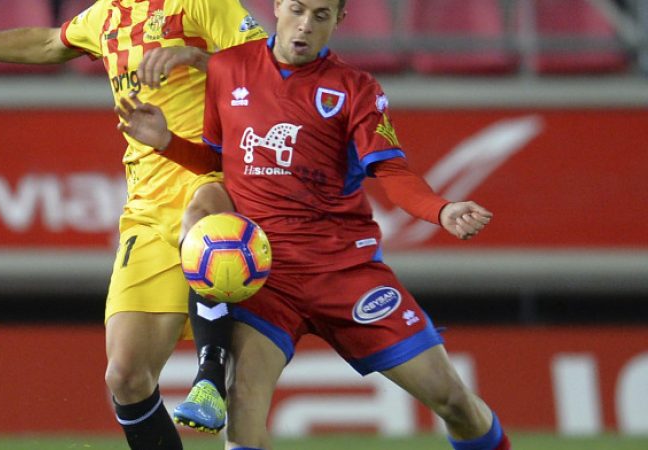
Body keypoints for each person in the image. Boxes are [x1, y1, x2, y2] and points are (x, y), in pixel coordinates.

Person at [113, 0, 513, 449]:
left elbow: (393, 173)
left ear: (338, 21)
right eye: (297, 10)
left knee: (453, 400)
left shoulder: (356, 88)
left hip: (344, 273)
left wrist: (440, 210)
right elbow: (223, 161)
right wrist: (168, 142)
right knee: (243, 411)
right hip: (266, 277)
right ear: (278, 7)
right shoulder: (227, 70)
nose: (305, 25)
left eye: (321, 15)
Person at [0, 1, 267, 447]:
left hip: (215, 179)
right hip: (146, 209)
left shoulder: (201, 3)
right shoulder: (104, 15)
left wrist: (198, 58)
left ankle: (209, 376)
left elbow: (265, 73)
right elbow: (49, 42)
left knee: (204, 230)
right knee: (125, 376)